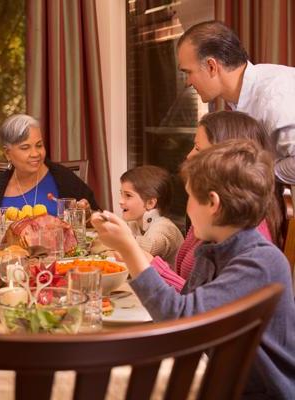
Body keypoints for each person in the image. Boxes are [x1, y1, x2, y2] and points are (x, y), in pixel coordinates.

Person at [91, 139, 295, 399]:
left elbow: (183, 322)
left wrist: (129, 249)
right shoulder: (211, 250)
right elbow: (184, 307)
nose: (186, 207)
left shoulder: (260, 262)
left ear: (213, 203)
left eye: (189, 197)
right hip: (225, 377)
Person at [151, 111, 281, 292]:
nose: (189, 156)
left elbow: (198, 304)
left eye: (198, 148)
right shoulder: (209, 220)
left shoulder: (242, 238)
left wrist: (147, 265)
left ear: (225, 155)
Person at [177, 20, 295, 183]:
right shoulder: (240, 97)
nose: (187, 82)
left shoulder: (274, 98)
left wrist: (251, 173)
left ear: (212, 66)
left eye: (188, 72)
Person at [0, 114, 100, 228]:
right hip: (10, 252)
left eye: (39, 145)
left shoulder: (64, 178)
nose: (35, 154)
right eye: (25, 148)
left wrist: (87, 215)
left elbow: (100, 223)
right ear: (8, 153)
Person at [119, 165, 183, 265]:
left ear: (150, 203)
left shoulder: (166, 228)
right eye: (121, 194)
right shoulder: (135, 223)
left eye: (128, 195)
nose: (120, 201)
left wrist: (119, 235)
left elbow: (152, 246)